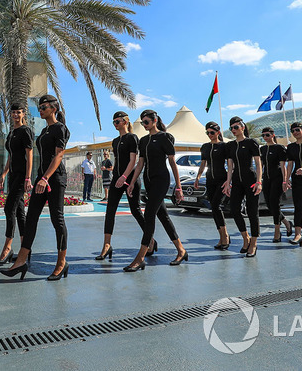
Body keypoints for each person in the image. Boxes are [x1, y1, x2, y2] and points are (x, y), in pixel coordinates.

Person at [1, 95, 70, 281]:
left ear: (54, 109)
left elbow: (59, 156)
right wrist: (40, 177)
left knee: (57, 219)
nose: (40, 110)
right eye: (39, 107)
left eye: (44, 107)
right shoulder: (44, 132)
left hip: (54, 179)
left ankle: (62, 263)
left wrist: (45, 178)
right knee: (31, 218)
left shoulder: (60, 129)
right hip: (42, 178)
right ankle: (21, 261)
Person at [124, 110, 188, 271]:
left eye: (146, 122)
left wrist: (178, 187)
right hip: (149, 181)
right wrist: (131, 182)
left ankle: (140, 258)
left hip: (161, 180)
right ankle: (181, 250)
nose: (144, 125)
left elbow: (173, 163)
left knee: (149, 214)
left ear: (155, 120)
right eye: (142, 122)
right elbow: (140, 164)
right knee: (163, 216)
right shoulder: (143, 140)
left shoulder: (165, 137)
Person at [96, 112, 150, 261]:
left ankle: (150, 240)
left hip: (129, 178)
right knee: (110, 210)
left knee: (136, 210)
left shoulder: (132, 138)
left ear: (125, 121)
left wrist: (124, 177)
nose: (115, 124)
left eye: (118, 121)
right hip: (116, 179)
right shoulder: (114, 141)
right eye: (113, 122)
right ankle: (107, 245)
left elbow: (133, 160)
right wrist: (117, 178)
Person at [0, 103, 34, 264]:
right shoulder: (11, 133)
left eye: (19, 112)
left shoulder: (26, 131)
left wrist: (28, 177)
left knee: (8, 208)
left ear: (23, 114)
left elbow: (29, 155)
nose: (16, 115)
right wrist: (4, 174)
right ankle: (26, 250)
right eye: (13, 112)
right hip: (12, 176)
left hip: (21, 176)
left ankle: (8, 247)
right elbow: (11, 156)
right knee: (19, 213)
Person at [223, 117, 262, 257]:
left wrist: (259, 182)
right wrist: (228, 183)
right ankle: (246, 238)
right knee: (234, 209)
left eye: (236, 127)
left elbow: (258, 164)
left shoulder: (251, 142)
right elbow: (230, 166)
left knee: (252, 212)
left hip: (250, 179)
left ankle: (254, 243)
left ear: (242, 127)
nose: (233, 130)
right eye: (231, 128)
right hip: (237, 181)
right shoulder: (230, 145)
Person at [195, 122, 231, 249]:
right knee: (213, 207)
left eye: (212, 132)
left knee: (216, 205)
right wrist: (198, 177)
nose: (210, 135)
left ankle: (225, 235)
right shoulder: (205, 147)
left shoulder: (224, 146)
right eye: (208, 133)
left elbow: (230, 164)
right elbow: (203, 163)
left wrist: (229, 180)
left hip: (221, 179)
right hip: (210, 179)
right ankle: (221, 236)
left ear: (218, 133)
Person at [259, 127, 292, 243]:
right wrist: (259, 180)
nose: (265, 137)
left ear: (273, 135)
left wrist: (285, 180)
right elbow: (261, 165)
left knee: (274, 202)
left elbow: (283, 166)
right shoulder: (262, 149)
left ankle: (277, 231)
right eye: (263, 135)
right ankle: (286, 222)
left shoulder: (279, 148)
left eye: (267, 135)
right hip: (266, 178)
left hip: (277, 178)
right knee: (269, 204)